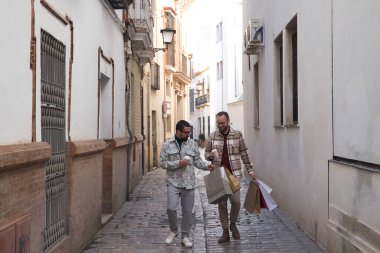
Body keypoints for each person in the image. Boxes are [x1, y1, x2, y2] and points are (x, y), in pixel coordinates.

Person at [160, 120, 215, 248]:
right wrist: (177, 163)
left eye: (189, 132)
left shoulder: (193, 144)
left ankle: (185, 236)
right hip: (173, 181)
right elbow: (162, 163)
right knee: (171, 208)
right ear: (178, 131)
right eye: (185, 132)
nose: (188, 135)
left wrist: (208, 166)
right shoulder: (167, 144)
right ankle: (174, 231)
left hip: (189, 183)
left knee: (187, 212)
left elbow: (197, 161)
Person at [205, 111, 258, 243]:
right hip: (219, 174)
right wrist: (210, 156)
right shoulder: (212, 136)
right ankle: (225, 231)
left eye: (222, 123)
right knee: (222, 204)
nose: (220, 125)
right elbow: (206, 154)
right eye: (218, 123)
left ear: (228, 121)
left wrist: (250, 170)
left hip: (234, 174)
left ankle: (233, 224)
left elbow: (244, 153)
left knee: (236, 202)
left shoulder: (237, 135)